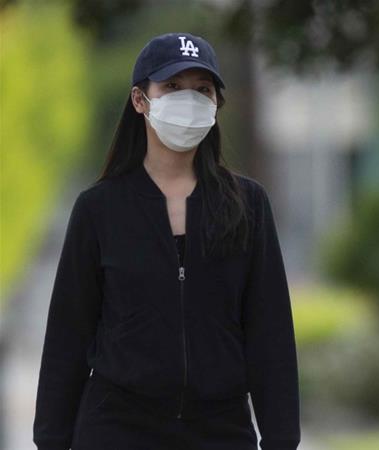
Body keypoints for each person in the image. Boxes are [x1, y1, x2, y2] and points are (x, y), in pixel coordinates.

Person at [33, 32, 300, 450]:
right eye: (173, 87)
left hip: (221, 430)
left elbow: (270, 332)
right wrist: (51, 439)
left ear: (216, 105)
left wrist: (282, 437)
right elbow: (68, 334)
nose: (188, 100)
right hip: (116, 429)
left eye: (202, 90)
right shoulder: (99, 209)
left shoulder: (247, 204)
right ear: (140, 99)